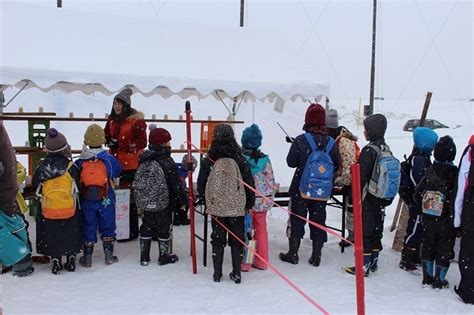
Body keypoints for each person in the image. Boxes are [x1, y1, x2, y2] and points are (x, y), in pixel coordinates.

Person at [280, 104, 339, 267]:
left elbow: (291, 163)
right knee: (318, 219)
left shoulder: (301, 140)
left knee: (297, 218)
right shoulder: (332, 143)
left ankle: (293, 253)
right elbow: (337, 164)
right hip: (322, 190)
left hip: (301, 187)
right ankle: (316, 255)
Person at [197, 124, 255, 283]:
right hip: (237, 206)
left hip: (217, 207)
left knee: (217, 238)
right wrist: (249, 202)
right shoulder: (240, 158)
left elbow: (201, 182)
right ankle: (237, 273)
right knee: (237, 239)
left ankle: (217, 273)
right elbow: (249, 182)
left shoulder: (210, 159)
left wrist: (205, 198)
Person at [343, 114, 396, 276]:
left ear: (370, 131)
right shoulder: (385, 149)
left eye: (366, 129)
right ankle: (373, 262)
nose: (364, 132)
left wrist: (354, 196)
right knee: (376, 231)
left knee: (365, 231)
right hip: (381, 198)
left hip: (368, 198)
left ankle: (363, 266)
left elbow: (360, 177)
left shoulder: (369, 151)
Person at [134, 125, 186, 266]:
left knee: (146, 226)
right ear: (163, 144)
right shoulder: (167, 161)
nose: (170, 144)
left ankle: (144, 257)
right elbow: (176, 184)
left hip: (147, 202)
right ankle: (164, 256)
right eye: (168, 142)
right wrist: (182, 201)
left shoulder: (144, 159)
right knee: (164, 228)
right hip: (164, 202)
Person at [33, 128, 82, 275]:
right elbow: (78, 186)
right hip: (69, 207)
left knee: (52, 232)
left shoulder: (42, 167)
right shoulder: (71, 167)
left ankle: (55, 259)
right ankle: (71, 256)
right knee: (70, 231)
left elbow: (36, 186)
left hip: (49, 208)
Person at [75, 124, 122, 267]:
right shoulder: (107, 158)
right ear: (102, 140)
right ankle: (108, 256)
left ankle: (87, 258)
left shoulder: (81, 160)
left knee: (89, 225)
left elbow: (75, 176)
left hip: (87, 199)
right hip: (106, 198)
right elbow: (118, 171)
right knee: (107, 224)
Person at [414, 136, 457, 289]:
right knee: (444, 248)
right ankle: (439, 279)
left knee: (428, 245)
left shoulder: (429, 172)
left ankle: (427, 277)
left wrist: (424, 209)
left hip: (428, 218)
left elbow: (417, 194)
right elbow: (457, 197)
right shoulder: (455, 174)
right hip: (447, 220)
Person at [104, 88, 147, 241]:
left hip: (131, 165)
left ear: (126, 105)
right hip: (114, 163)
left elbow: (142, 142)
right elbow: (107, 135)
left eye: (119, 103)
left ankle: (131, 230)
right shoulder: (111, 120)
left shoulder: (136, 121)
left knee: (129, 199)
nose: (117, 106)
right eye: (115, 103)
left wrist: (122, 144)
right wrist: (108, 140)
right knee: (116, 198)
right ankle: (119, 228)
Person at [399, 127, 438, 273]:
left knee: (420, 228)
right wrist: (423, 192)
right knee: (415, 228)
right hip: (417, 201)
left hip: (421, 200)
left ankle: (414, 254)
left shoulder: (423, 156)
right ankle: (407, 257)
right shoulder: (418, 158)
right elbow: (417, 180)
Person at [240, 124, 276, 271]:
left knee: (247, 231)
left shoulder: (242, 160)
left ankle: (246, 263)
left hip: (247, 201)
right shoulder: (265, 160)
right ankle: (262, 260)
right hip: (262, 201)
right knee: (261, 230)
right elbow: (271, 181)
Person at [0, 122, 34, 277]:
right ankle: (21, 262)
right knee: (14, 228)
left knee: (10, 231)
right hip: (6, 197)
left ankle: (20, 262)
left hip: (4, 197)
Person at [326, 108, 360, 248]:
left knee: (352, 208)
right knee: (350, 208)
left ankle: (353, 236)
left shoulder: (343, 142)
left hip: (352, 181)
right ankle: (353, 235)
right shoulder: (339, 139)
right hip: (350, 179)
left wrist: (339, 181)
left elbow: (348, 166)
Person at [453, 135, 474, 304]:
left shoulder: (471, 151)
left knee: (468, 252)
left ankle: (469, 290)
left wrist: (457, 219)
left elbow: (462, 184)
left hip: (471, 211)